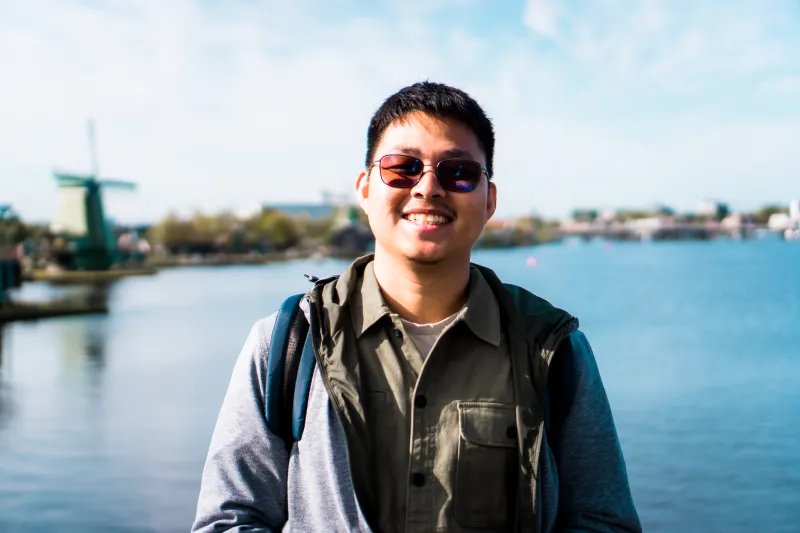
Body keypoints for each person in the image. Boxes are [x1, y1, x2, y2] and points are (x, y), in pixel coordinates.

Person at [192, 81, 641, 533]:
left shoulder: (553, 349)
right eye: (402, 168)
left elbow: (602, 522)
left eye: (458, 172)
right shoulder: (290, 342)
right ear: (365, 189)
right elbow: (230, 520)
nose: (428, 188)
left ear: (489, 200)